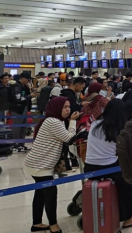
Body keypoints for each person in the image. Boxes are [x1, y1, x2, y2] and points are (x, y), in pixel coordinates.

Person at [24, 97, 81, 233]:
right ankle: (53, 225)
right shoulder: (53, 121)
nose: (68, 110)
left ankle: (36, 223)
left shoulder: (55, 120)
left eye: (68, 106)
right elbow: (68, 138)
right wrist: (72, 122)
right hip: (40, 166)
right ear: (56, 108)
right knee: (50, 193)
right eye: (64, 107)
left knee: (40, 193)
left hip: (36, 164)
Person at [84, 100, 132, 229]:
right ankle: (127, 217)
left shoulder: (95, 124)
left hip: (89, 166)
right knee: (128, 185)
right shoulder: (120, 128)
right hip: (108, 167)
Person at [8, 71, 35, 152]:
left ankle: (21, 144)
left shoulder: (24, 86)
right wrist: (30, 96)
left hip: (24, 109)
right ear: (22, 78)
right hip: (17, 110)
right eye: (27, 79)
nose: (28, 81)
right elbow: (18, 98)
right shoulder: (16, 86)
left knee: (23, 127)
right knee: (17, 127)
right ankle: (15, 144)